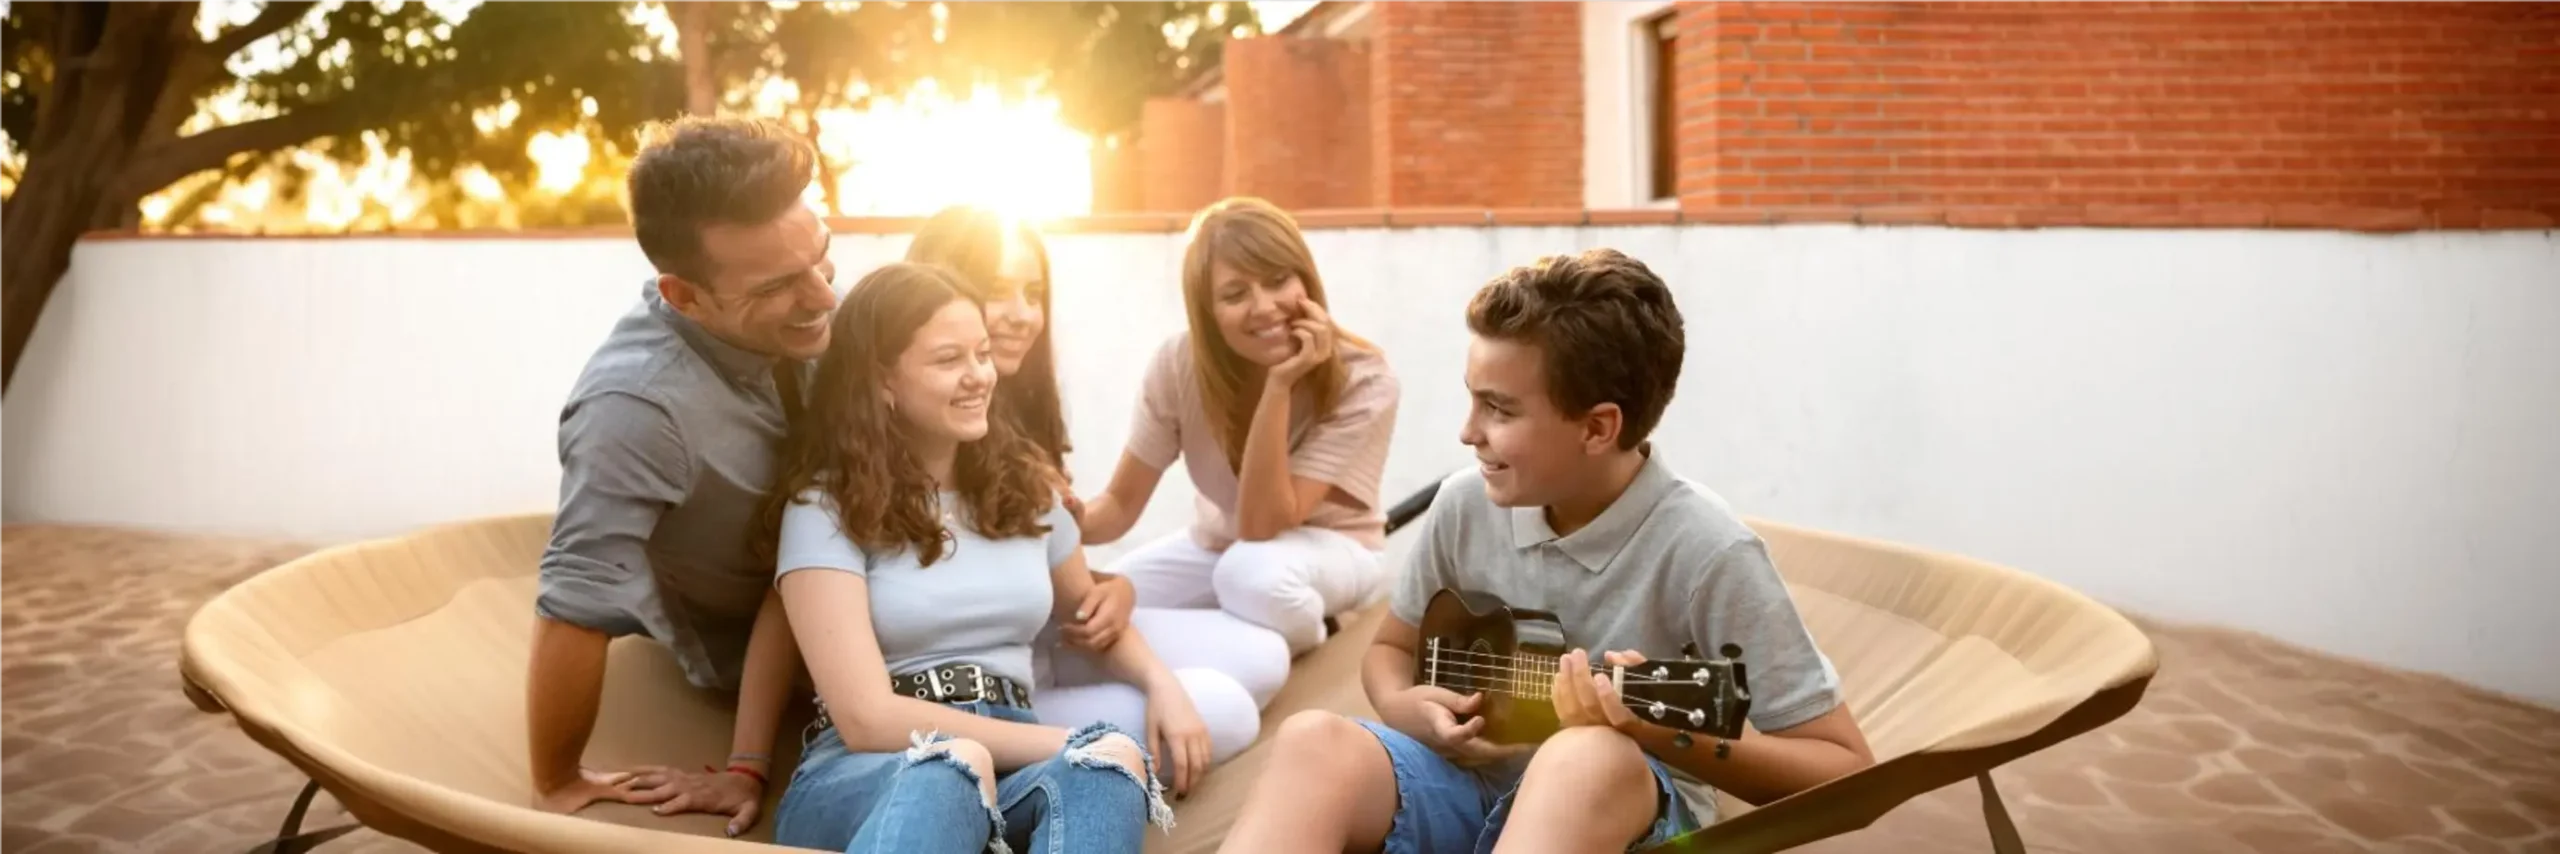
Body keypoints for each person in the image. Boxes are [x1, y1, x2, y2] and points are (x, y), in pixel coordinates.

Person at [1216, 249, 1877, 853]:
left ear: (1597, 427)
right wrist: (1400, 705)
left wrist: (1647, 731)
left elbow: (1845, 770)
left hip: (1626, 820)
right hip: (1471, 792)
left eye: (1498, 410)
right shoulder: (1465, 505)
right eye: (1472, 400)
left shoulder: (1710, 553)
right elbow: (1393, 649)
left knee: (1584, 755)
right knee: (1313, 740)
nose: (1467, 431)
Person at [754, 261, 1202, 853]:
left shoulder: (1028, 491)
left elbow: (1090, 611)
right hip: (866, 771)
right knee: (954, 764)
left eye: (983, 354)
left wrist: (1160, 685)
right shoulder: (823, 506)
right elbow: (864, 717)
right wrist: (1067, 739)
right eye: (948, 360)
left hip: (1013, 755)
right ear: (882, 379)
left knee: (1110, 761)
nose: (979, 377)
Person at [526, 116, 837, 817]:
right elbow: (576, 601)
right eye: (780, 286)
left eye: (822, 256)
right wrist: (558, 783)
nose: (822, 296)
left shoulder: (814, 316)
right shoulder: (634, 409)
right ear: (683, 296)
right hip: (780, 678)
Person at [903, 204, 1286, 755]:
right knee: (1223, 710)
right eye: (996, 290)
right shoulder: (926, 431)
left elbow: (1049, 566)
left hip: (1050, 637)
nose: (1021, 314)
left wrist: (1117, 588)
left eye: (1033, 294)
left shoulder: (1020, 420)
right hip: (988, 691)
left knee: (1263, 659)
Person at [1074, 197, 1401, 659]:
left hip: (1332, 551)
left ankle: (1314, 644)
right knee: (1089, 608)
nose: (1264, 307)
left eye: (1277, 281)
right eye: (1234, 294)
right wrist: (1061, 517)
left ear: (1306, 280)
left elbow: (1262, 523)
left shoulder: (1364, 378)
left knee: (1251, 577)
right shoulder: (1177, 366)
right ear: (1207, 312)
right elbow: (1120, 505)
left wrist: (1280, 383)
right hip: (1219, 547)